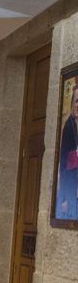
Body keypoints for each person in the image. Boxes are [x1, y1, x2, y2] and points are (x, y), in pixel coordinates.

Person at [57, 87, 78, 219]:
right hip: (70, 179)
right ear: (71, 105)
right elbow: (64, 160)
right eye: (77, 101)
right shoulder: (69, 126)